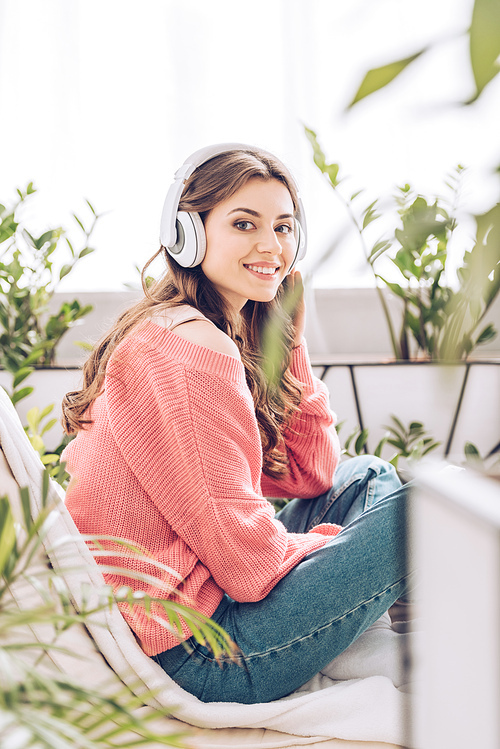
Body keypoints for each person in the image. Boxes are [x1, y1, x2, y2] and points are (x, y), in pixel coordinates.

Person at [61, 143, 411, 705]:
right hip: (205, 654)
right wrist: (343, 553)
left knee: (366, 477)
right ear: (188, 235)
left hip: (205, 613)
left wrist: (288, 340)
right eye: (244, 224)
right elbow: (247, 565)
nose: (271, 246)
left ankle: (356, 628)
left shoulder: (198, 327)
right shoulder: (190, 347)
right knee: (420, 511)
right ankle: (410, 639)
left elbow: (313, 475)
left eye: (284, 227)